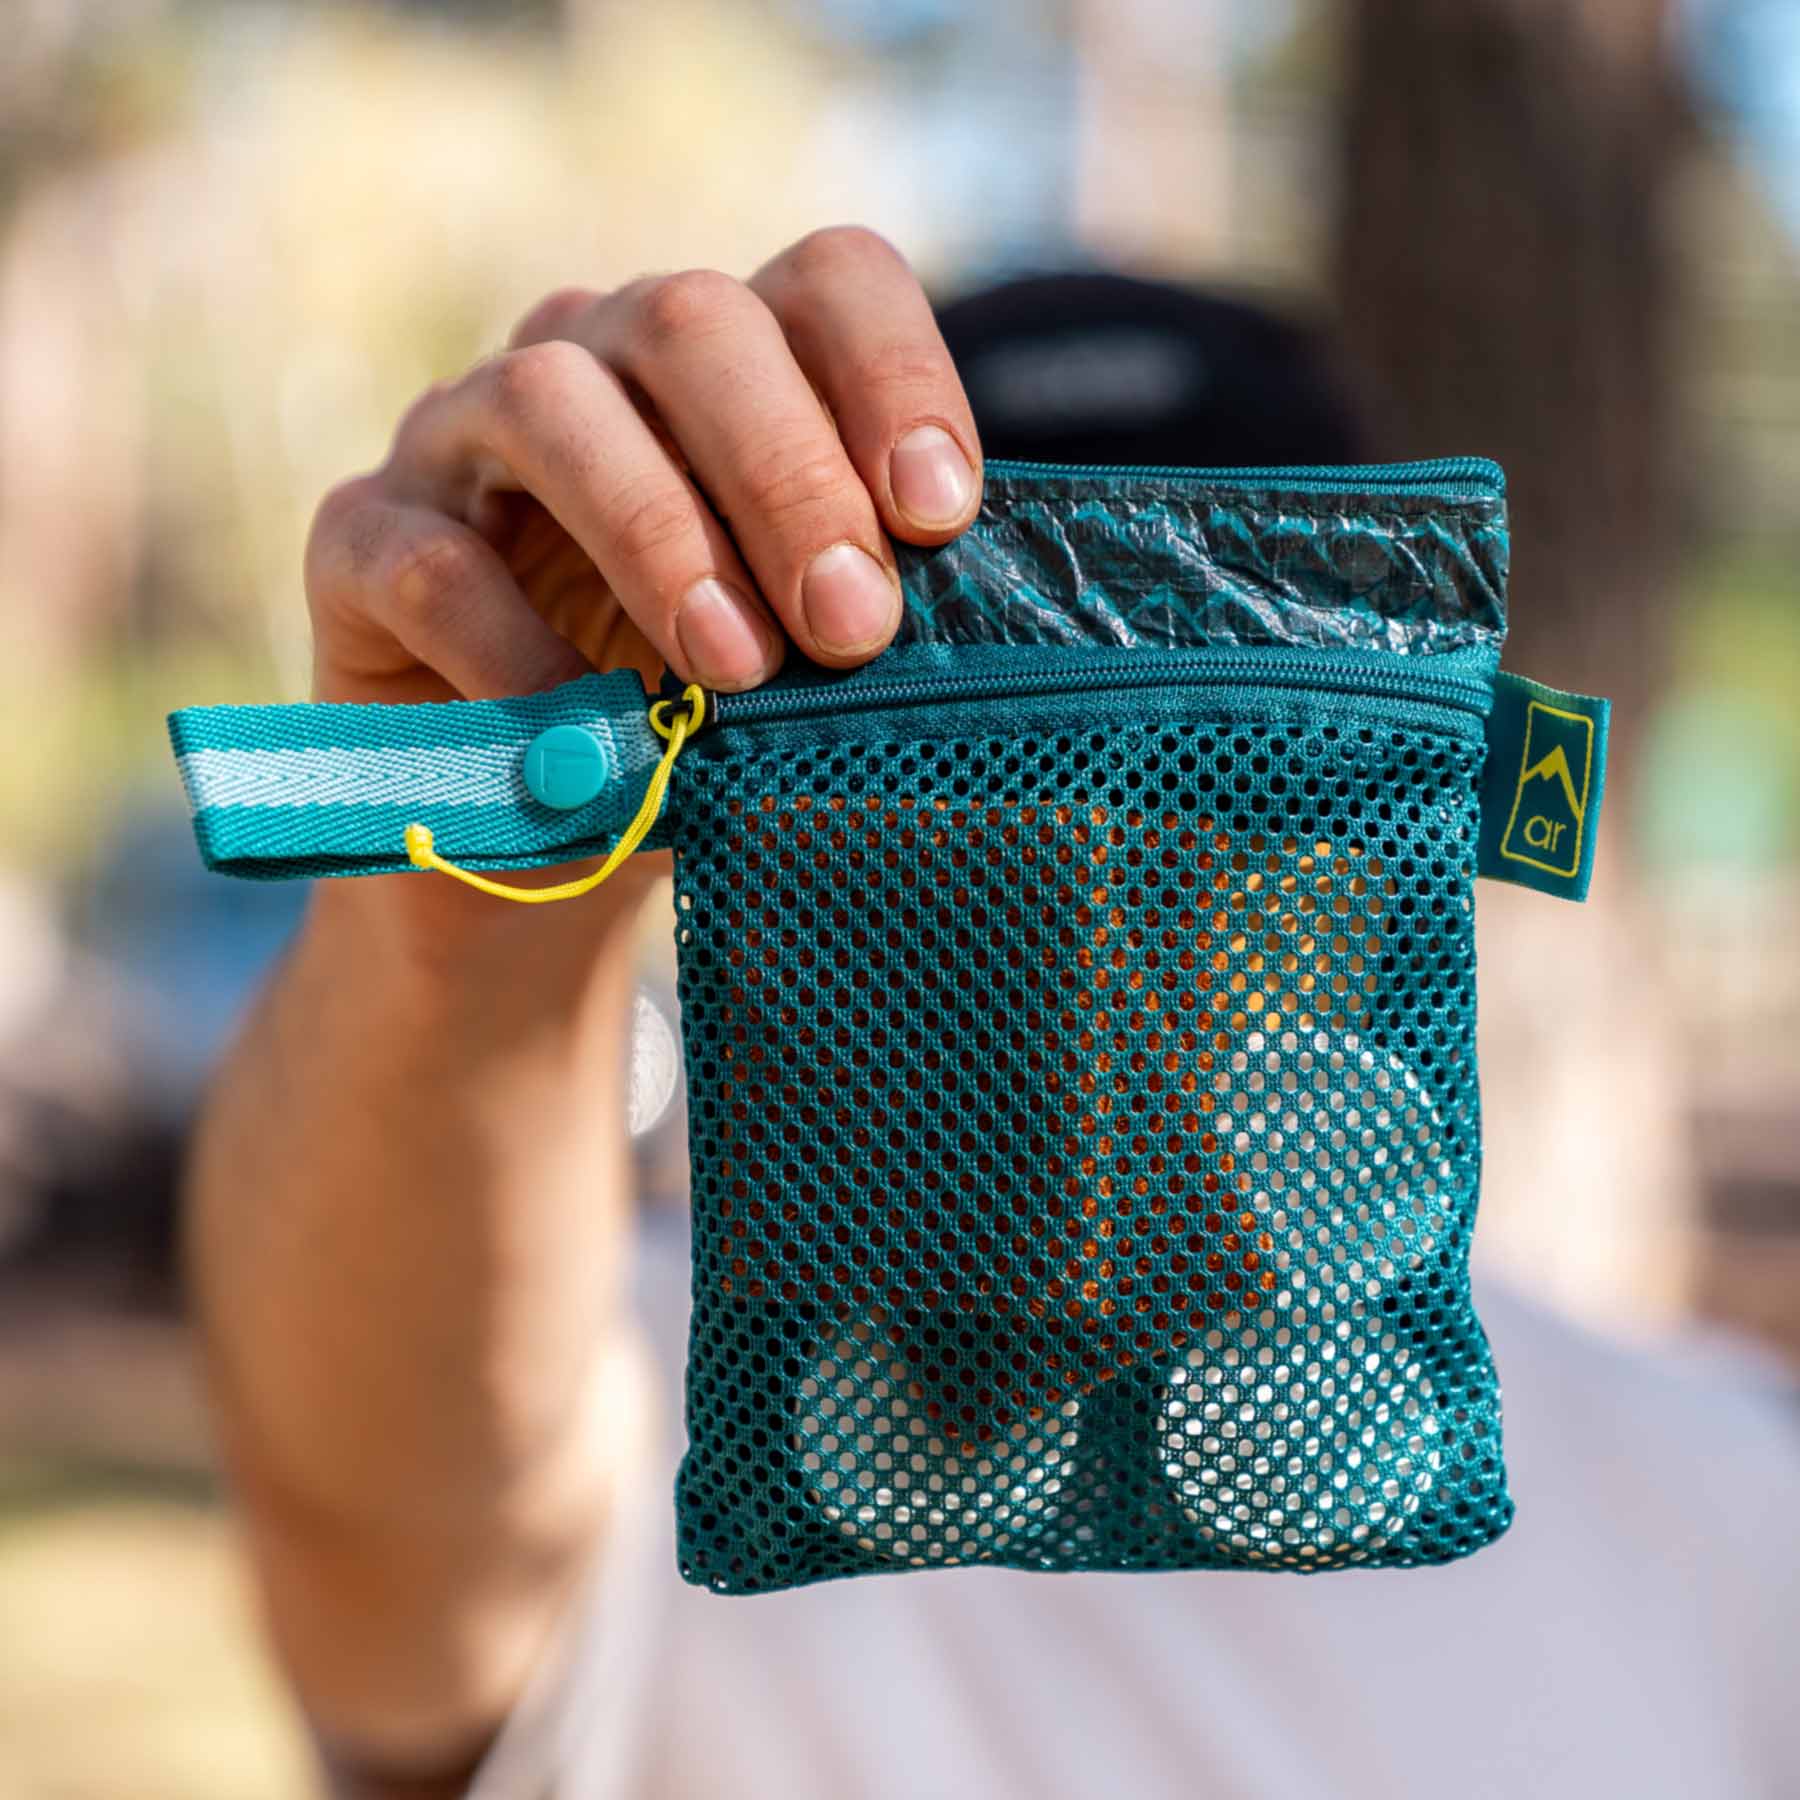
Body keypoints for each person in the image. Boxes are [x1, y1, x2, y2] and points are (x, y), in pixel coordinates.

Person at [186, 227, 1800, 1800]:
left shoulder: (1732, 1508)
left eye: (1220, 773)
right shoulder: (623, 1383)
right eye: (953, 774)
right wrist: (466, 894)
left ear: (1398, 823)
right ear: (775, 843)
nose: (1098, 885)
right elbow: (380, 1533)